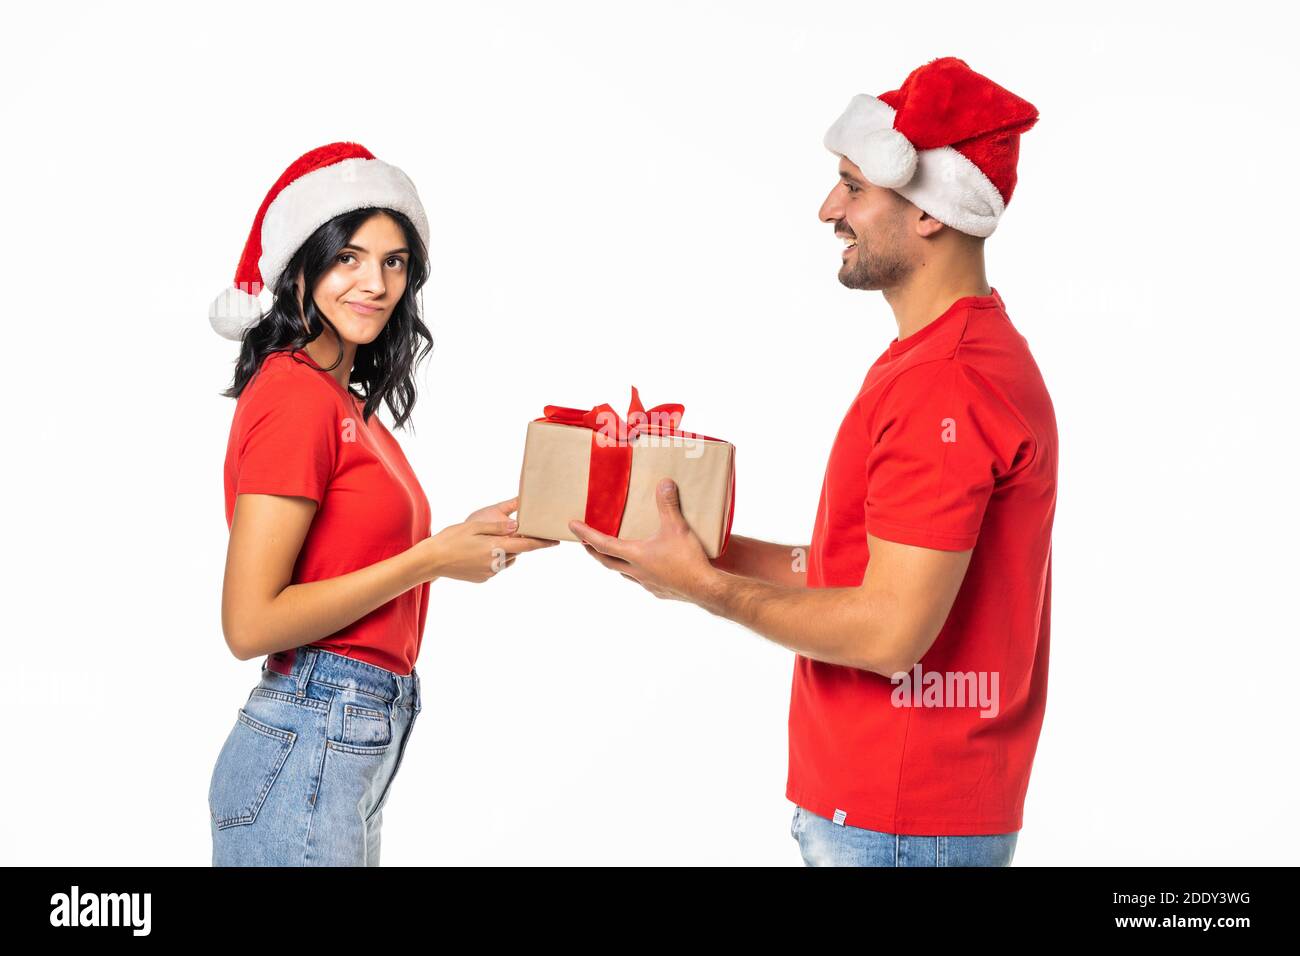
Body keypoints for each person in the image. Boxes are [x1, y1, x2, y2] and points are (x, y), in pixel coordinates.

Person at [569, 58, 1056, 867]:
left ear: (931, 213)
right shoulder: (937, 357)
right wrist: (696, 552)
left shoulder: (947, 380)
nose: (829, 208)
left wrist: (707, 588)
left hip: (900, 823)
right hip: (894, 815)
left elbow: (891, 630)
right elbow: (856, 573)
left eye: (852, 186)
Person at [206, 142, 555, 866]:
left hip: (342, 741)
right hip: (310, 730)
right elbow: (249, 622)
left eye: (394, 261)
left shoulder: (346, 407)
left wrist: (464, 540)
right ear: (300, 267)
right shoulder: (294, 395)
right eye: (349, 258)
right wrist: (429, 559)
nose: (375, 282)